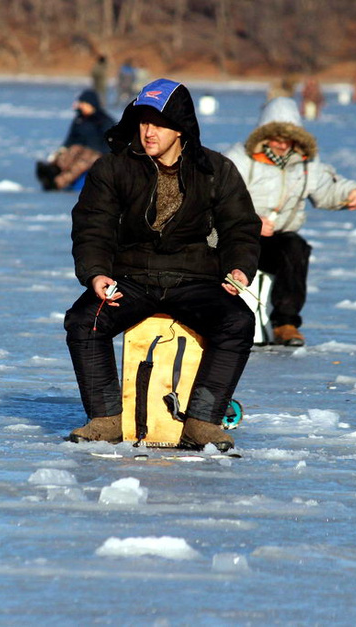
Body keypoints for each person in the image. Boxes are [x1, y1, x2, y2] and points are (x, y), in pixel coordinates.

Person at [64, 78, 261, 451]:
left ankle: (202, 422)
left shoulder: (215, 169)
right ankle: (105, 419)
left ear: (181, 127)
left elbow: (240, 227)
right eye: (142, 122)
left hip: (195, 277)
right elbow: (93, 226)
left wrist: (238, 269)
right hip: (131, 277)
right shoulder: (113, 168)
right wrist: (97, 273)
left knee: (237, 321)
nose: (148, 132)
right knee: (83, 321)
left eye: (159, 123)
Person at [225, 97, 356, 347]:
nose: (281, 144)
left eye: (287, 139)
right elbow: (216, 200)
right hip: (237, 235)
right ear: (262, 135)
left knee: (296, 248)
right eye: (275, 137)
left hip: (278, 238)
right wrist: (250, 221)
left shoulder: (306, 162)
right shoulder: (238, 159)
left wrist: (352, 193)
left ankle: (285, 323)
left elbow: (327, 187)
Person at [35, 89, 115, 191]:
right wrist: (62, 150)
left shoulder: (104, 121)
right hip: (80, 149)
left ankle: (57, 183)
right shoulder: (79, 120)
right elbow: (71, 139)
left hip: (99, 153)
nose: (81, 106)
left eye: (83, 103)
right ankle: (53, 170)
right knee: (73, 150)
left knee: (83, 161)